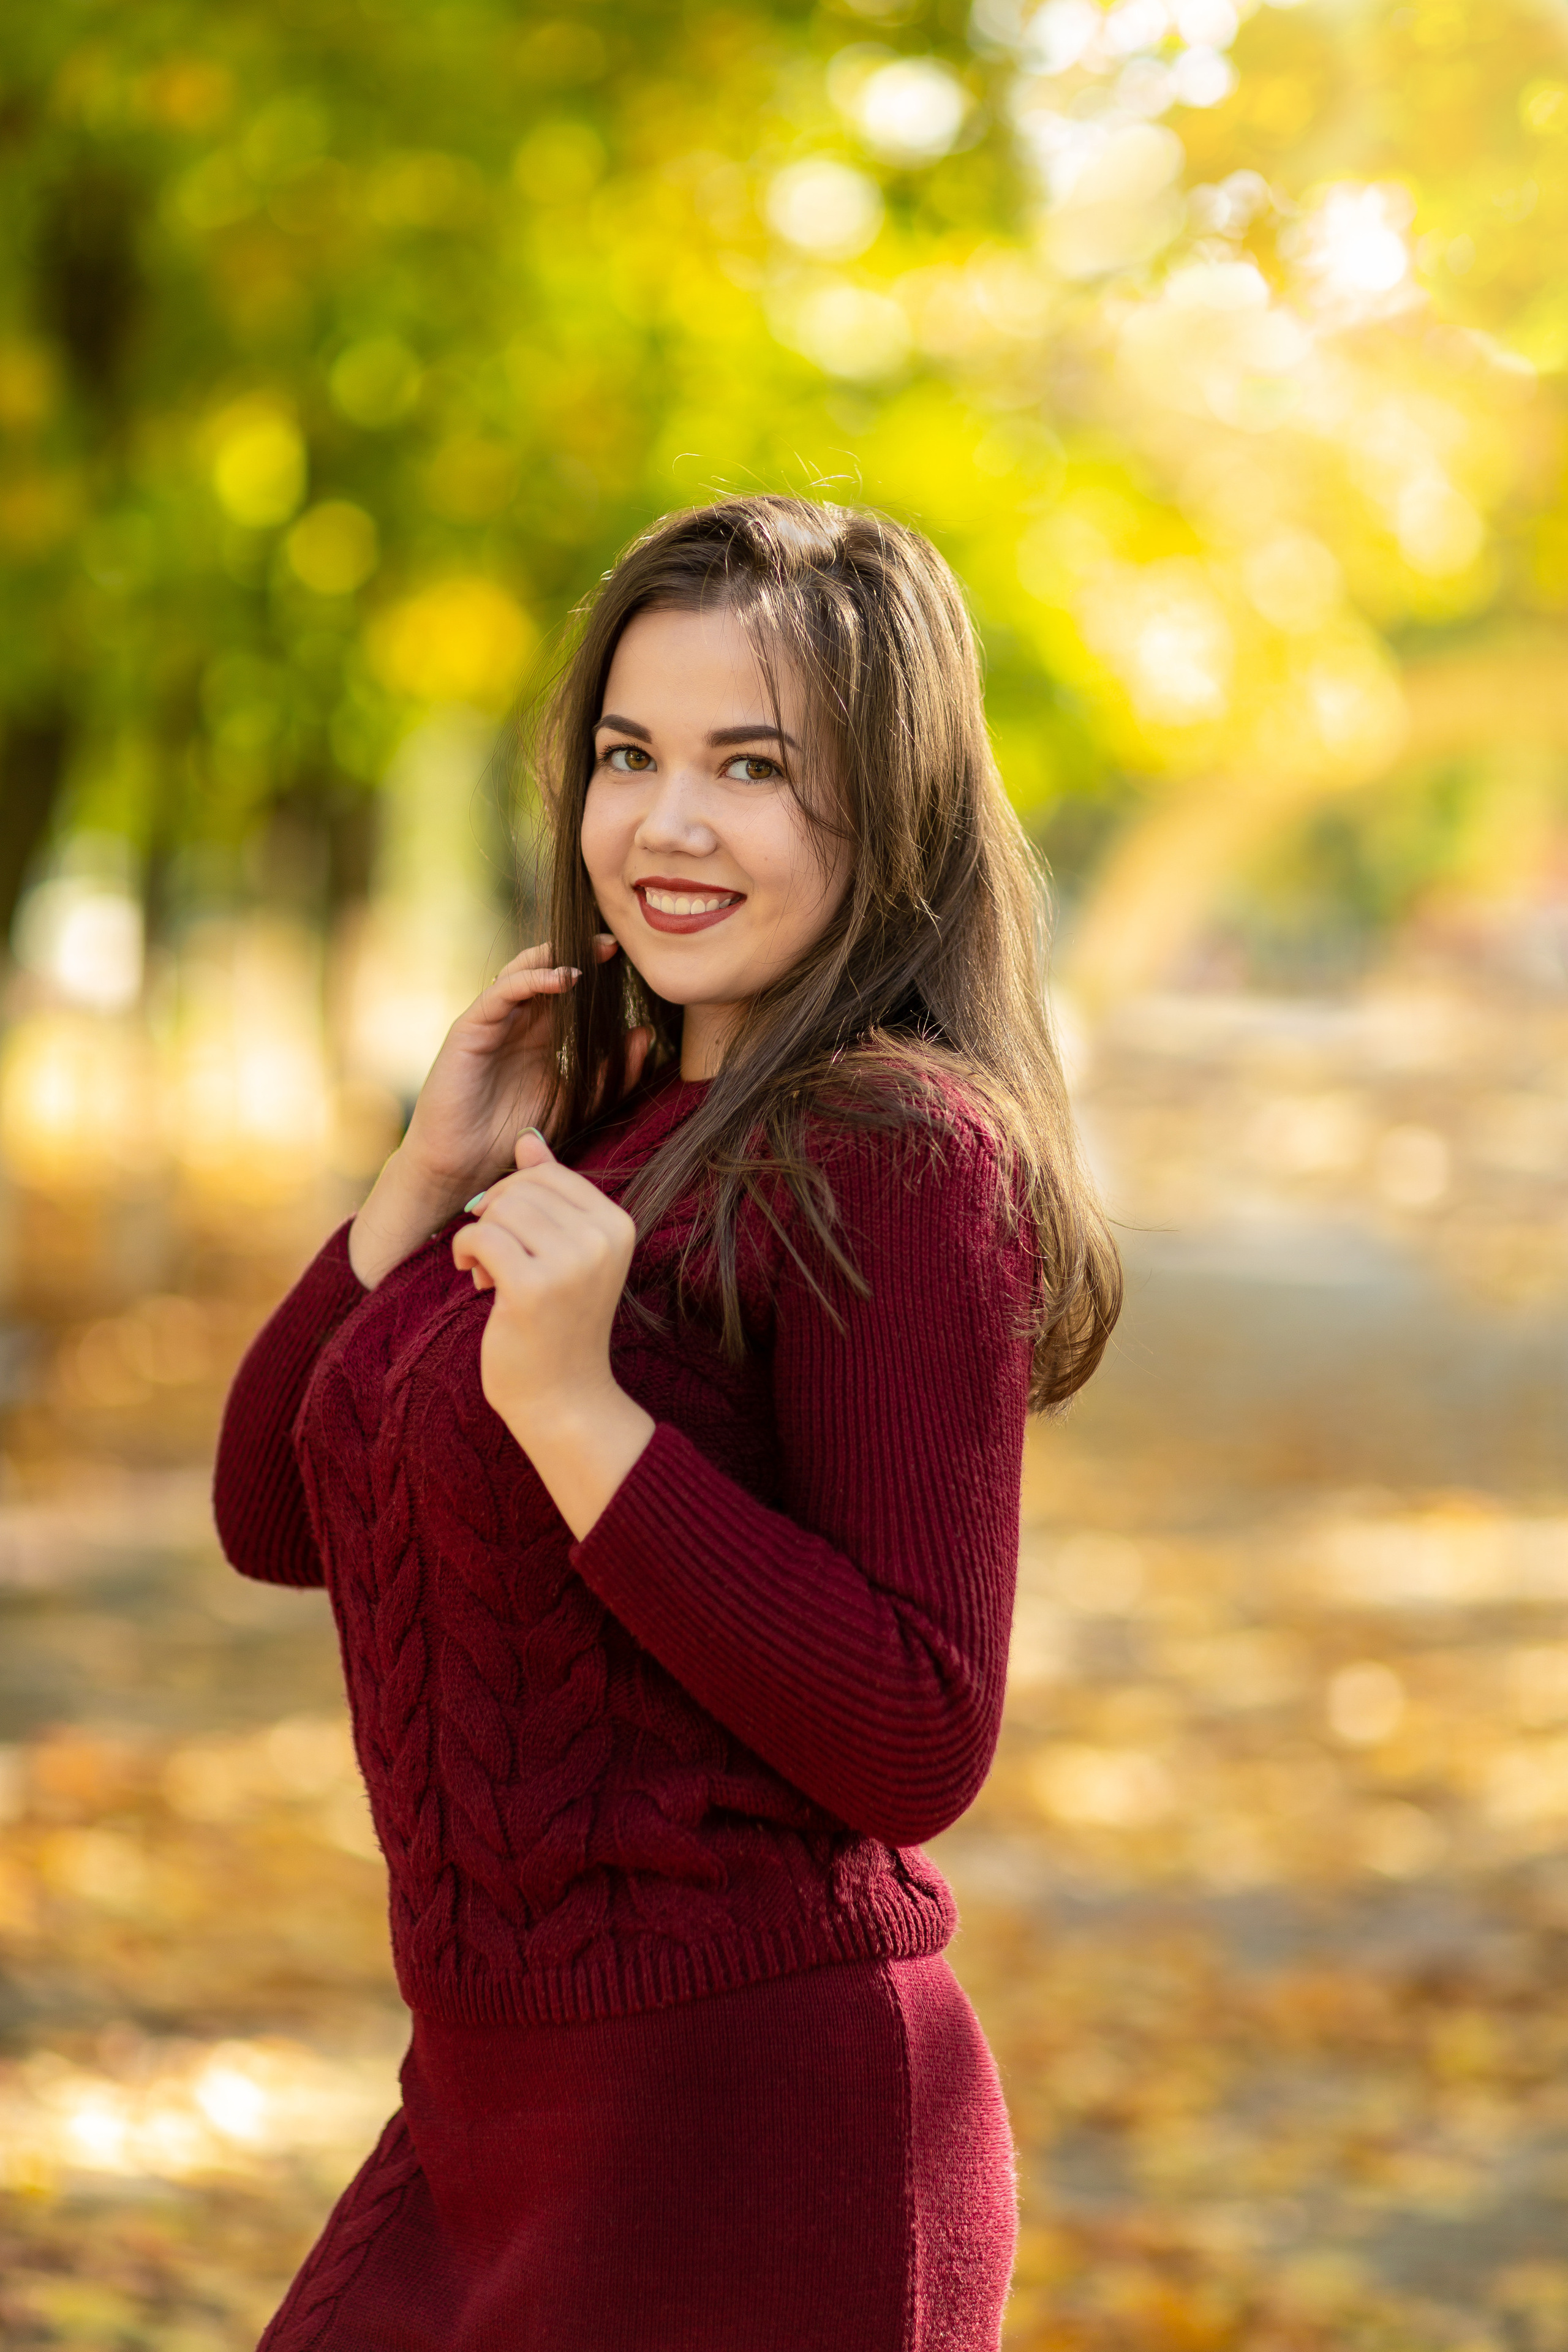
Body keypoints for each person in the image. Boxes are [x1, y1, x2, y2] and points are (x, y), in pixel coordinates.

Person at [214, 494, 1121, 2351]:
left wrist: (570, 1407)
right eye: (630, 755)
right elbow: (270, 1515)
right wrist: (418, 1182)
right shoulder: (603, 1146)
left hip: (753, 2132)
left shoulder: (900, 1155)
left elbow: (919, 1728)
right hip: (482, 2113)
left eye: (757, 766)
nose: (667, 823)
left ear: (894, 811)